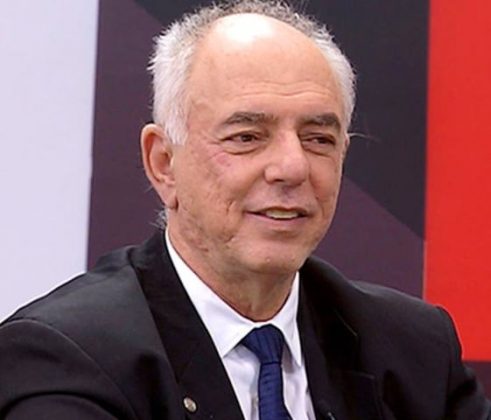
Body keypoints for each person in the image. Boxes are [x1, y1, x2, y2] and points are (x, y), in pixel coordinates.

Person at [0, 1, 489, 419]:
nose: (292, 167)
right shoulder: (64, 357)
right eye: (247, 137)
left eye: (318, 139)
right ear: (164, 163)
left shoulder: (415, 350)